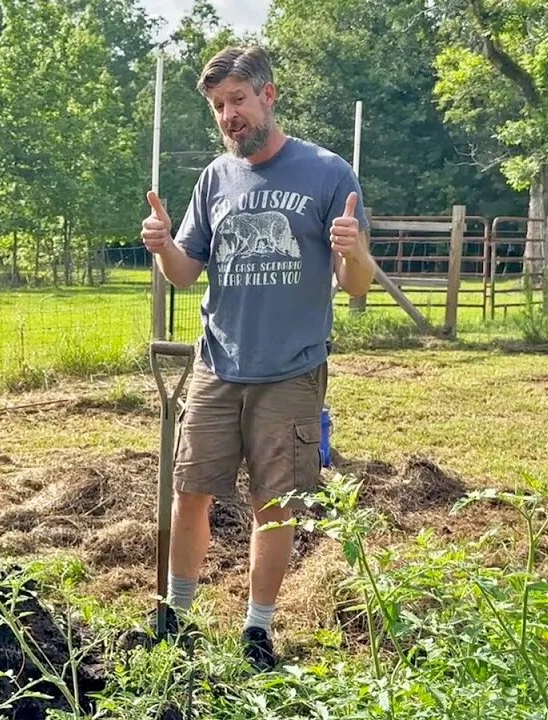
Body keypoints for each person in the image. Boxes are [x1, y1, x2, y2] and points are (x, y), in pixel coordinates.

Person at [139, 45, 374, 670]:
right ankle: (178, 619)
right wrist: (164, 246)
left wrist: (351, 251)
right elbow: (187, 274)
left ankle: (257, 630)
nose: (228, 116)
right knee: (191, 490)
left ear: (268, 96)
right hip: (219, 363)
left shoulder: (328, 174)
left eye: (237, 101)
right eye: (218, 107)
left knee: (276, 505)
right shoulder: (215, 178)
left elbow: (356, 287)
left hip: (291, 370)